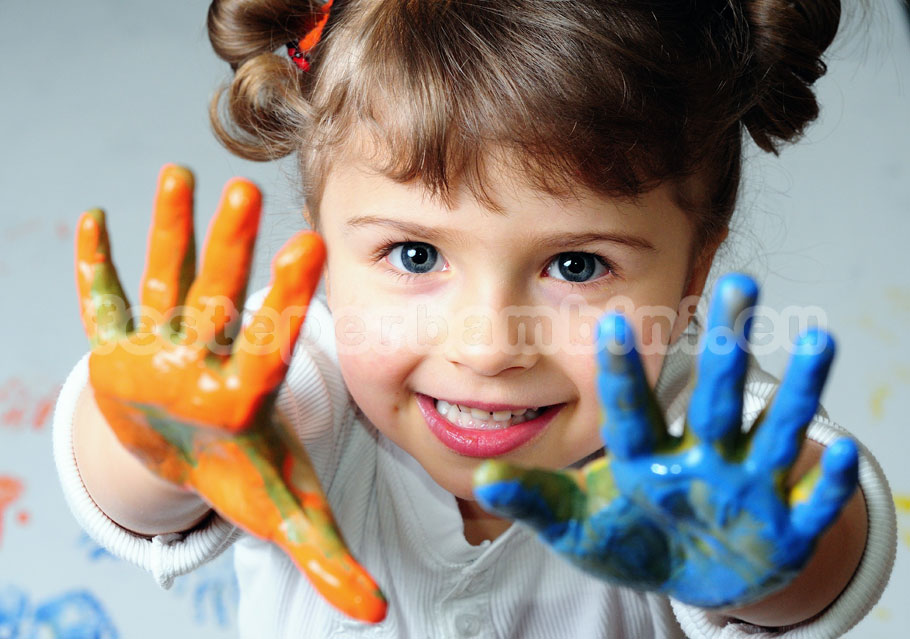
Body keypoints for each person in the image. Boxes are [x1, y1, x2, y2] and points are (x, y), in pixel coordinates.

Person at [53, 1, 897, 637]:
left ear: (695, 265)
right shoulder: (298, 385)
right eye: (416, 255)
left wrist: (762, 555)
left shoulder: (687, 434)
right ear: (323, 242)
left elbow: (830, 532)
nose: (490, 345)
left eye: (576, 265)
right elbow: (137, 492)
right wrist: (152, 444)